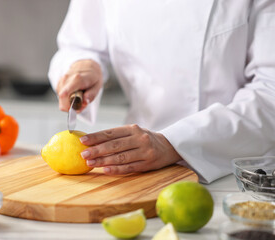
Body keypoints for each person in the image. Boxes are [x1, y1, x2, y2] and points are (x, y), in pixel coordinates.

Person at [48, 0, 275, 183]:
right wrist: (83, 64)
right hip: (136, 168)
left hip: (236, 170)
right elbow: (79, 44)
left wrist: (173, 143)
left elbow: (270, 89)